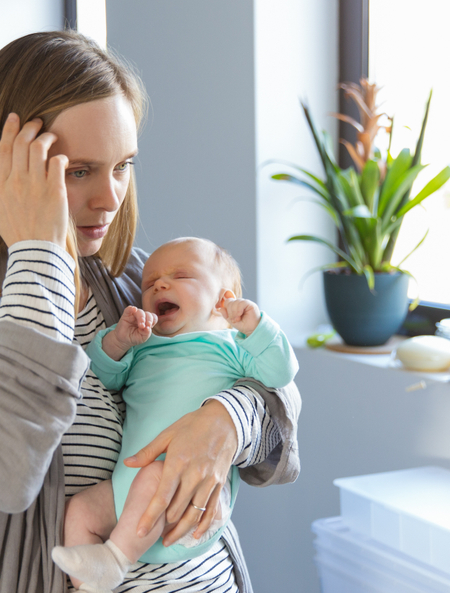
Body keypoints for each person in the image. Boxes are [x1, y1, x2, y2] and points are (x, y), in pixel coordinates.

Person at [0, 30, 301, 593]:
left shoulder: (134, 282)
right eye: (79, 172)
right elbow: (2, 476)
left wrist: (222, 422)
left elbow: (278, 407)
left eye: (122, 165)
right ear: (7, 173)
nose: (110, 198)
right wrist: (39, 257)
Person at [52, 237, 298, 593]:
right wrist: (119, 342)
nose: (160, 285)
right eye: (149, 284)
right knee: (79, 512)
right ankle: (88, 584)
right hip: (125, 489)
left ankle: (115, 561)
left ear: (223, 299)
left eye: (180, 276)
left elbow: (280, 376)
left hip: (185, 494)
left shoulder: (231, 346)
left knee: (156, 475)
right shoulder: (143, 345)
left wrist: (258, 327)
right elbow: (101, 376)